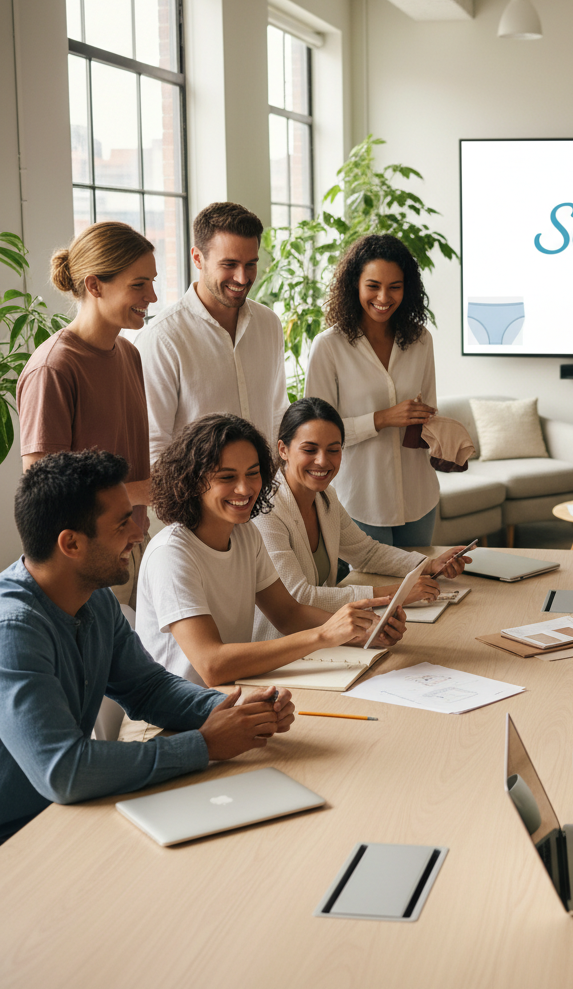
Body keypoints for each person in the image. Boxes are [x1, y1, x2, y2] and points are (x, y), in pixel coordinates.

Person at [0, 450, 295, 845]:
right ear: (70, 543)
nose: (139, 534)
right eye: (123, 523)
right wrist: (204, 745)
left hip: (67, 816)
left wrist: (234, 712)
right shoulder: (13, 631)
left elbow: (148, 688)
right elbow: (63, 770)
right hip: (19, 836)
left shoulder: (95, 598)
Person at [136, 413, 404, 691]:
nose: (245, 488)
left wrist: (363, 631)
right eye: (227, 477)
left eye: (253, 473)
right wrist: (325, 634)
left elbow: (288, 614)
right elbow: (212, 666)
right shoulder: (172, 554)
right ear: (192, 481)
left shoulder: (245, 534)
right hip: (173, 717)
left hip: (229, 695)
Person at [17, 221, 156, 608]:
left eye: (152, 283)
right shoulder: (53, 368)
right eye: (139, 285)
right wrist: (142, 490)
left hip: (131, 545)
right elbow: (44, 496)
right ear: (95, 286)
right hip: (85, 566)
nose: (153, 296)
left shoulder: (129, 354)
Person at [252, 397, 472, 641]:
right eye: (309, 449)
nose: (323, 461)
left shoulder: (325, 496)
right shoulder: (267, 510)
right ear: (283, 449)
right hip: (281, 645)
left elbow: (366, 553)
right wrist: (398, 593)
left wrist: (428, 565)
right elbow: (300, 597)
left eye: (333, 450)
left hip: (323, 637)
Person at [305, 233, 440, 546]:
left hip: (419, 497)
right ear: (355, 284)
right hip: (359, 501)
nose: (384, 297)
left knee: (420, 592)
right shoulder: (329, 347)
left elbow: (428, 413)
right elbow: (317, 435)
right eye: (373, 286)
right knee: (373, 594)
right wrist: (382, 418)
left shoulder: (421, 340)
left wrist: (446, 438)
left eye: (395, 286)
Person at [135, 201, 288, 465]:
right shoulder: (162, 338)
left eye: (251, 264)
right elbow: (153, 446)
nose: (242, 278)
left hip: (266, 501)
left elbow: (277, 415)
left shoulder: (269, 324)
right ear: (197, 258)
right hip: (195, 503)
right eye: (229, 264)